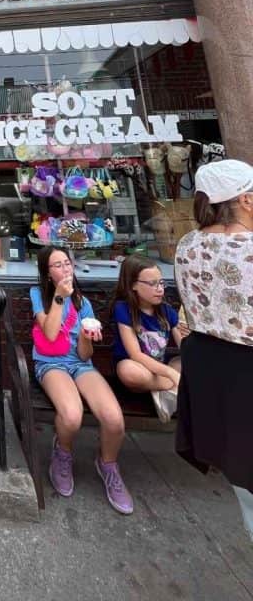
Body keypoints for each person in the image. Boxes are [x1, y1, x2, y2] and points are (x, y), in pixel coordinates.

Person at [174, 159, 253, 543]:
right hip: (245, 371)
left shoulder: (187, 245)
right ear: (246, 200)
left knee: (245, 490)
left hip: (209, 370)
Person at [30, 245, 133, 514]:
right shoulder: (38, 295)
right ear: (47, 272)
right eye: (58, 265)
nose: (65, 269)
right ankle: (62, 453)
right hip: (51, 363)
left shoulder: (83, 303)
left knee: (113, 419)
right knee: (72, 416)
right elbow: (50, 334)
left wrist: (88, 338)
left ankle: (108, 465)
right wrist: (59, 297)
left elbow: (85, 355)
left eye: (67, 263)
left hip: (80, 364)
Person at [111, 255, 184, 422]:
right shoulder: (123, 309)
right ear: (133, 285)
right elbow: (135, 354)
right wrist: (171, 374)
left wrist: (190, 336)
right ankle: (174, 388)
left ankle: (163, 392)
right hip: (139, 369)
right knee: (127, 370)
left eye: (161, 283)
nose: (160, 289)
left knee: (187, 362)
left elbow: (184, 346)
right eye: (152, 284)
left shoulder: (166, 311)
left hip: (160, 368)